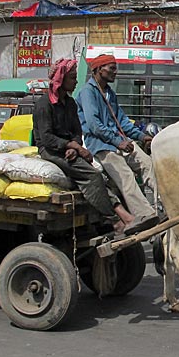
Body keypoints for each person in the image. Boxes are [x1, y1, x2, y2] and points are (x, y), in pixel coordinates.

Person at [33, 58, 139, 235]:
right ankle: (114, 220)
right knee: (92, 175)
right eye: (72, 78)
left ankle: (124, 216)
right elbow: (46, 138)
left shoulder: (70, 103)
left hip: (69, 149)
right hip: (50, 151)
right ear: (61, 80)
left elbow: (77, 130)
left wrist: (74, 146)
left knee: (101, 176)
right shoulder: (44, 105)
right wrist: (72, 145)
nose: (76, 82)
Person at [76, 54, 159, 233]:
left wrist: (141, 136)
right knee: (125, 174)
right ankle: (144, 214)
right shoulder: (88, 92)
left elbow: (122, 121)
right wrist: (117, 141)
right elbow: (94, 125)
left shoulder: (109, 94)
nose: (115, 72)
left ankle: (164, 203)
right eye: (112, 68)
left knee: (147, 163)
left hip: (119, 141)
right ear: (99, 70)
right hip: (101, 146)